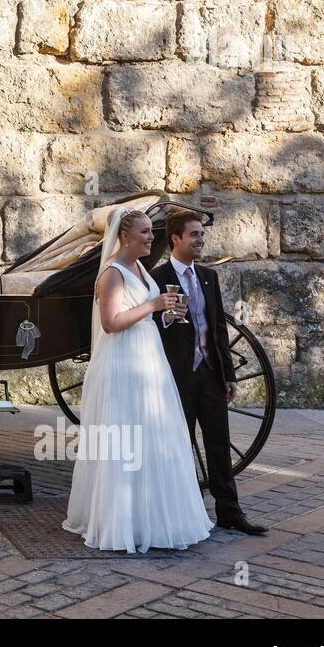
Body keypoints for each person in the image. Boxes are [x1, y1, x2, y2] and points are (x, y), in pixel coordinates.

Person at [63, 208, 213, 553]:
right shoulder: (112, 273)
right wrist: (154, 305)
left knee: (153, 438)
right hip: (122, 367)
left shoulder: (140, 268)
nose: (150, 238)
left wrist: (166, 314)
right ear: (126, 236)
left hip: (148, 363)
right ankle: (121, 521)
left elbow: (144, 316)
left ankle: (151, 516)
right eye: (145, 232)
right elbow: (111, 323)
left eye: (150, 232)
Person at [152, 210, 268, 535]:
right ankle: (182, 516)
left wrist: (228, 374)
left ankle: (230, 512)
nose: (200, 240)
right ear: (175, 239)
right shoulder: (157, 278)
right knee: (181, 445)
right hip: (178, 376)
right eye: (194, 235)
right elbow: (148, 327)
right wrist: (165, 316)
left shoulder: (208, 276)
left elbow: (218, 328)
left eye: (202, 234)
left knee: (219, 443)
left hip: (210, 372)